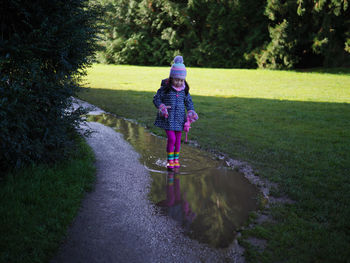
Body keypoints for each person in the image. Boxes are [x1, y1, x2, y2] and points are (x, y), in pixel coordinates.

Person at [153, 56, 198, 169]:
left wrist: (191, 111)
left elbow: (189, 102)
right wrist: (161, 106)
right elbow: (156, 99)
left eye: (181, 80)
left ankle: (176, 160)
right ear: (171, 78)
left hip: (179, 119)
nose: (179, 82)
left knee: (178, 141)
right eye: (177, 80)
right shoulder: (165, 89)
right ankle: (169, 160)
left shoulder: (184, 90)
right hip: (167, 118)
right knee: (172, 139)